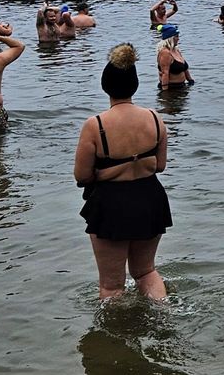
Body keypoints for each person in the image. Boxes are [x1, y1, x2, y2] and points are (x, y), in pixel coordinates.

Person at [73, 43, 171, 300]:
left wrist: (105, 173)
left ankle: (115, 336)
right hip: (150, 198)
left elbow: (82, 176)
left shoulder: (95, 125)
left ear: (105, 85)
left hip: (111, 204)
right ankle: (164, 314)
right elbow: (159, 166)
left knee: (112, 285)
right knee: (146, 271)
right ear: (135, 85)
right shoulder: (155, 118)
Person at [156, 25, 194, 89]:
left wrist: (191, 81)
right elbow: (165, 73)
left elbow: (184, 68)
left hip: (182, 87)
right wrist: (165, 93)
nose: (178, 39)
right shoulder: (165, 53)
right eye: (176, 36)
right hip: (171, 89)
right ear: (170, 38)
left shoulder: (176, 50)